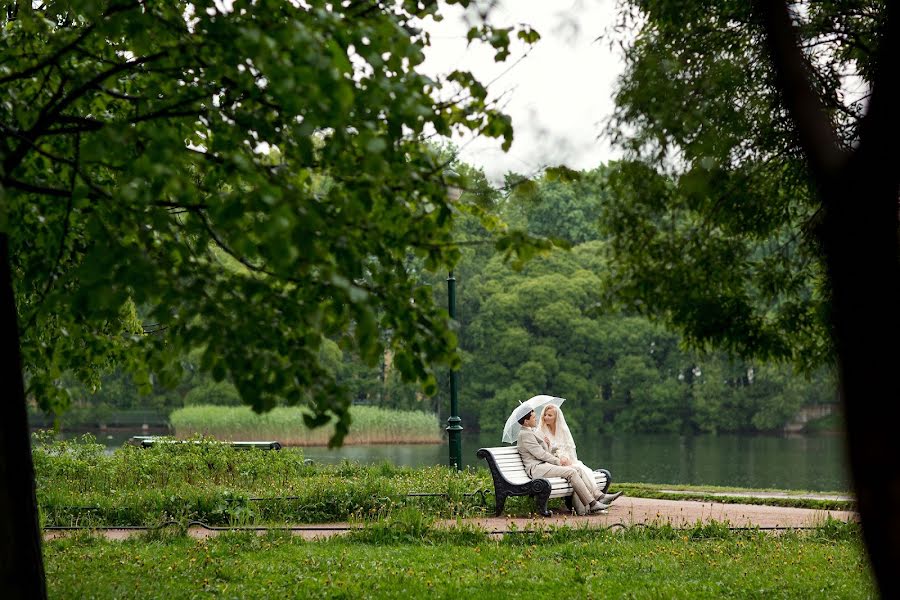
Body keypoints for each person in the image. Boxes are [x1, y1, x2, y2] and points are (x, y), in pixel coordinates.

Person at [516, 409, 609, 516]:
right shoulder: (525, 434)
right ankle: (592, 504)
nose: (536, 418)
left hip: (544, 466)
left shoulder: (531, 432)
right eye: (533, 417)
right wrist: (558, 462)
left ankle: (587, 506)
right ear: (526, 421)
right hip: (537, 468)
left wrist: (547, 444)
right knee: (571, 472)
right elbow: (540, 454)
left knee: (577, 469)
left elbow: (543, 452)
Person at [537, 404, 623, 506]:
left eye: (550, 415)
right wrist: (549, 447)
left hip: (564, 461)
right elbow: (543, 454)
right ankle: (598, 497)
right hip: (552, 463)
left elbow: (567, 448)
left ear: (556, 417)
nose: (546, 417)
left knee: (585, 469)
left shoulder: (562, 430)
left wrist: (566, 458)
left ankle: (598, 497)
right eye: (545, 415)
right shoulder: (540, 432)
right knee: (577, 470)